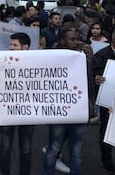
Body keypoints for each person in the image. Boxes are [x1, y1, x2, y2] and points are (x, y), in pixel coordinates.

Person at [0, 32, 34, 175]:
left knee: (26, 147)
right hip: (6, 110)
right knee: (5, 145)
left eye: (15, 45)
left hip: (27, 111)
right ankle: (5, 171)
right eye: (10, 45)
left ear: (25, 47)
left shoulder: (35, 62)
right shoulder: (3, 60)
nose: (11, 48)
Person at [42, 29, 90, 175]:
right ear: (62, 40)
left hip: (80, 110)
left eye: (77, 39)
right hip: (60, 112)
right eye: (72, 39)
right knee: (54, 148)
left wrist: (89, 58)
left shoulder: (83, 55)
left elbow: (90, 82)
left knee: (76, 151)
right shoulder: (51, 57)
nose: (76, 42)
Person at [93, 27, 115, 173]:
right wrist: (97, 79)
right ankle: (107, 161)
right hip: (108, 101)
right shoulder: (102, 54)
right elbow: (94, 74)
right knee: (107, 132)